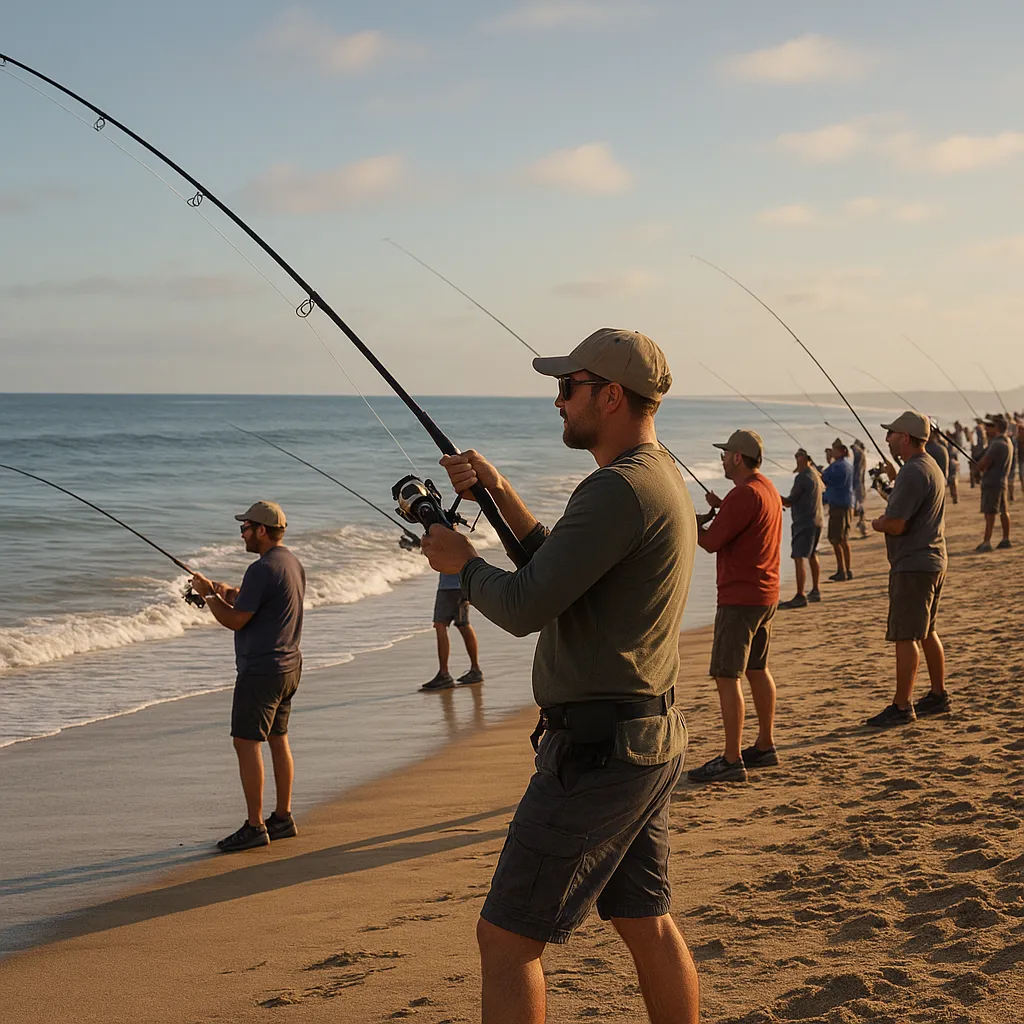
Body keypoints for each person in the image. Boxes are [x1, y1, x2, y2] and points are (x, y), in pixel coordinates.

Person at [420, 328, 700, 1024]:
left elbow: (525, 606)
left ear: (609, 395)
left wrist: (463, 564)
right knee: (645, 921)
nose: (556, 402)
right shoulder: (656, 476)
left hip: (601, 753)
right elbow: (559, 567)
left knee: (507, 938)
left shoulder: (616, 488)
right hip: (648, 738)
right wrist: (498, 490)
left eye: (566, 388)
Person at [190, 501, 306, 852]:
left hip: (261, 670)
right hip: (289, 666)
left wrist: (208, 595)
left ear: (261, 531)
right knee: (277, 738)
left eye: (245, 527)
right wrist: (227, 592)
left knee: (246, 743)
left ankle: (256, 826)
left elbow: (236, 620)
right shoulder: (290, 562)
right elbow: (263, 603)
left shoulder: (261, 569)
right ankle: (282, 818)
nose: (241, 533)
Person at [687, 428, 782, 783]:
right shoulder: (766, 489)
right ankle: (765, 744)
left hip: (740, 598)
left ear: (738, 458)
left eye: (726, 454)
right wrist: (720, 507)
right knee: (757, 669)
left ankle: (731, 758)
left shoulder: (743, 495)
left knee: (727, 675)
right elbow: (742, 523)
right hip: (765, 594)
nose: (723, 459)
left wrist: (687, 521)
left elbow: (711, 542)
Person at [867, 412, 948, 726]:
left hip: (914, 564)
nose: (887, 439)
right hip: (931, 560)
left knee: (906, 636)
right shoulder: (926, 467)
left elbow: (897, 524)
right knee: (926, 631)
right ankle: (938, 695)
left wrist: (878, 523)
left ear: (905, 437)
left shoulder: (914, 472)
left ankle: (902, 706)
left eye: (891, 434)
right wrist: (896, 481)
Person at [421, 571, 483, 690]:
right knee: (463, 624)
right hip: (462, 586)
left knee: (440, 625)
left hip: (449, 588)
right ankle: (475, 669)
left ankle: (444, 674)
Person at [779, 447, 823, 609]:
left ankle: (800, 595)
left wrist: (774, 497)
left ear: (805, 459)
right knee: (812, 554)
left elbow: (789, 501)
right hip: (817, 520)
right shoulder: (815, 475)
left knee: (799, 557)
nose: (796, 459)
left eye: (798, 457)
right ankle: (815, 590)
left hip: (804, 522)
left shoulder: (802, 477)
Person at [975, 415, 1013, 552]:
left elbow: (985, 463)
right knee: (1004, 511)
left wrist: (977, 466)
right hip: (1002, 482)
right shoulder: (1008, 441)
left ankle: (987, 541)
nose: (986, 429)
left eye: (990, 426)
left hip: (992, 483)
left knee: (989, 513)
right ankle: (1005, 539)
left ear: (997, 428)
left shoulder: (996, 444)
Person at [820, 441, 855, 581]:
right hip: (845, 503)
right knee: (843, 538)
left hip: (839, 505)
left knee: (835, 538)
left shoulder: (839, 466)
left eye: (834, 450)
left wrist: (828, 462)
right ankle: (847, 569)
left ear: (840, 451)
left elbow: (825, 478)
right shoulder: (846, 464)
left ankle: (842, 570)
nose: (832, 453)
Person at [851, 439, 868, 538]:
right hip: (859, 482)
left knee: (860, 505)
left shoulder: (860, 455)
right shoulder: (862, 456)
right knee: (860, 504)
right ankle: (862, 524)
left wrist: (854, 447)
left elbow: (856, 450)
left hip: (858, 483)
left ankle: (863, 527)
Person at [943, 429, 960, 505]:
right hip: (954, 463)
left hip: (949, 463)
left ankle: (954, 497)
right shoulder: (954, 444)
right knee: (953, 482)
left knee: (950, 481)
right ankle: (955, 497)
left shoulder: (946, 444)